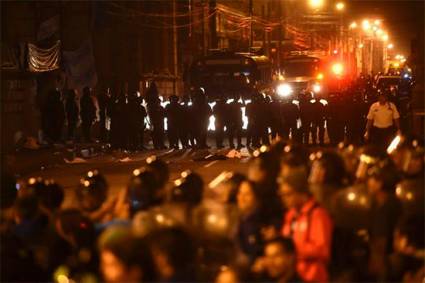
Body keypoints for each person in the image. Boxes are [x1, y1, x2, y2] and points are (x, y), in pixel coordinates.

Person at [277, 169, 333, 282]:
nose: (284, 199)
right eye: (282, 195)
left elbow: (322, 250)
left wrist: (292, 250)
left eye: (288, 194)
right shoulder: (290, 215)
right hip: (291, 276)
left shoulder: (317, 214)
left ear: (301, 192)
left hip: (311, 277)